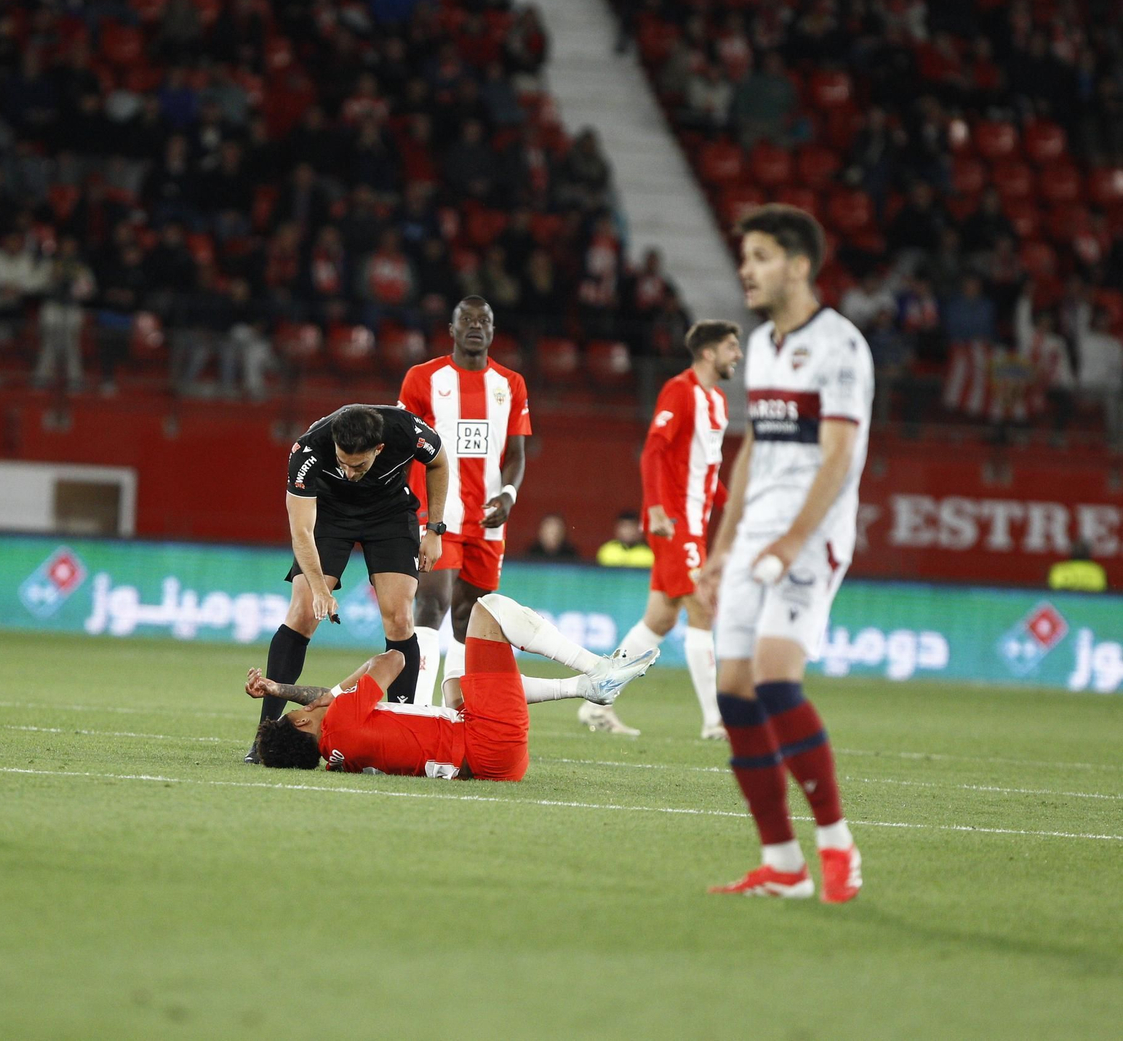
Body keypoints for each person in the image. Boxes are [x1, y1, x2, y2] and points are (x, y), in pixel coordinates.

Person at [694, 204, 871, 903]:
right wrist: (722, 544)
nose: (747, 269)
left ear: (800, 264)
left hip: (812, 532)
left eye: (762, 256)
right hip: (756, 536)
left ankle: (836, 845)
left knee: (774, 678)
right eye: (745, 257)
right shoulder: (760, 345)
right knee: (735, 690)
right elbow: (755, 450)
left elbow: (839, 455)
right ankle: (782, 863)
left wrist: (794, 540)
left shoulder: (840, 347)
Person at [247, 593, 658, 778]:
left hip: (495, 767)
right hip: (489, 741)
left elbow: (328, 703)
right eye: (299, 712)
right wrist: (335, 694)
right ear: (301, 723)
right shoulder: (340, 717)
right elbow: (393, 659)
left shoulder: (339, 759)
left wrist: (281, 688)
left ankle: (584, 688)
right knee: (488, 610)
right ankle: (596, 669)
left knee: (454, 685)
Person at [244, 404, 450, 761]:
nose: (350, 473)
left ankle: (406, 727)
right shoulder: (308, 451)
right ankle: (265, 732)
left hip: (389, 514)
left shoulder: (407, 430)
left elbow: (440, 463)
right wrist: (321, 591)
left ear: (379, 449)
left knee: (400, 617)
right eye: (342, 462)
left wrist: (434, 528)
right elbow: (301, 531)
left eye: (359, 465)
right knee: (303, 611)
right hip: (331, 516)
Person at [583, 321, 741, 741]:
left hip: (696, 524)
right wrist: (654, 508)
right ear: (708, 353)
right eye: (730, 347)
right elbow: (654, 450)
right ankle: (714, 722)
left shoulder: (719, 401)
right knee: (703, 607)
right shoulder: (680, 390)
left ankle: (595, 702)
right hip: (673, 523)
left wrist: (737, 504)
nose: (737, 355)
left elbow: (706, 472)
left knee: (660, 619)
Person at [398, 296, 532, 706]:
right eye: (467, 320)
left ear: (492, 332)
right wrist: (404, 506)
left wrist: (508, 494)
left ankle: (451, 711)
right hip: (436, 515)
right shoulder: (423, 378)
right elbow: (403, 446)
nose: (476, 326)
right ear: (452, 330)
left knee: (468, 617)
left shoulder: (511, 385)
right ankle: (415, 709)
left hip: (488, 521)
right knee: (432, 601)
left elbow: (516, 455)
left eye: (484, 321)